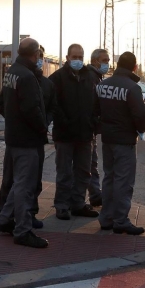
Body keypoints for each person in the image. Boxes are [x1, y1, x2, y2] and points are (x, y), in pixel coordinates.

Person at [0, 38, 49, 248]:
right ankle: (23, 230)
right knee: (25, 187)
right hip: (27, 141)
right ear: (35, 54)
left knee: (18, 183)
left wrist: (14, 121)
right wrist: (42, 128)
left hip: (14, 138)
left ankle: (5, 219)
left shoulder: (12, 72)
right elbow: (31, 109)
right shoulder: (27, 76)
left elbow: (1, 104)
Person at [95, 52, 145, 235]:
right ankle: (121, 220)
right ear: (134, 67)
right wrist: (141, 130)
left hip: (107, 139)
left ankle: (106, 218)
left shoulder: (102, 85)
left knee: (109, 178)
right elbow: (140, 115)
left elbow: (95, 110)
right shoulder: (132, 88)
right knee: (123, 181)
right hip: (124, 140)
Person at [49, 44, 99, 220]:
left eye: (80, 57)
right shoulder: (57, 78)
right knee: (64, 173)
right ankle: (62, 205)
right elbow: (53, 104)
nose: (77, 60)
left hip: (85, 134)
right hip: (64, 134)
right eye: (74, 57)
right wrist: (65, 122)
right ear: (67, 57)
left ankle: (78, 203)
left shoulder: (90, 77)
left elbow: (96, 103)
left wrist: (93, 123)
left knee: (84, 171)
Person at [86, 48, 110, 207]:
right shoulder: (90, 78)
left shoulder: (96, 77)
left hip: (90, 129)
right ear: (95, 61)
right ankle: (92, 195)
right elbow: (91, 105)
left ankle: (95, 194)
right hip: (86, 129)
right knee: (88, 164)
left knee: (91, 164)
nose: (107, 64)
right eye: (105, 60)